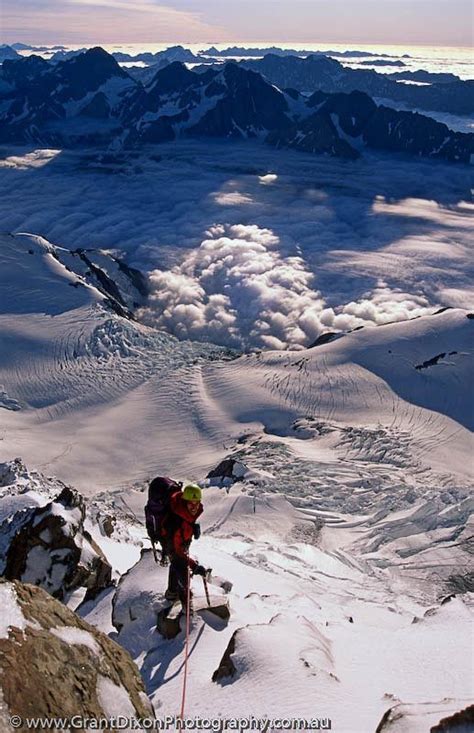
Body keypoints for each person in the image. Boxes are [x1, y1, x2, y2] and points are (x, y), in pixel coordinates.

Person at [163, 483, 207, 611]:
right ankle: (186, 610)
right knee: (183, 575)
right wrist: (194, 566)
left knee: (177, 565)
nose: (194, 507)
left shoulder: (186, 514)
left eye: (196, 503)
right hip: (172, 546)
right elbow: (178, 553)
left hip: (180, 546)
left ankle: (172, 592)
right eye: (190, 503)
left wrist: (193, 527)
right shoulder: (175, 522)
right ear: (184, 502)